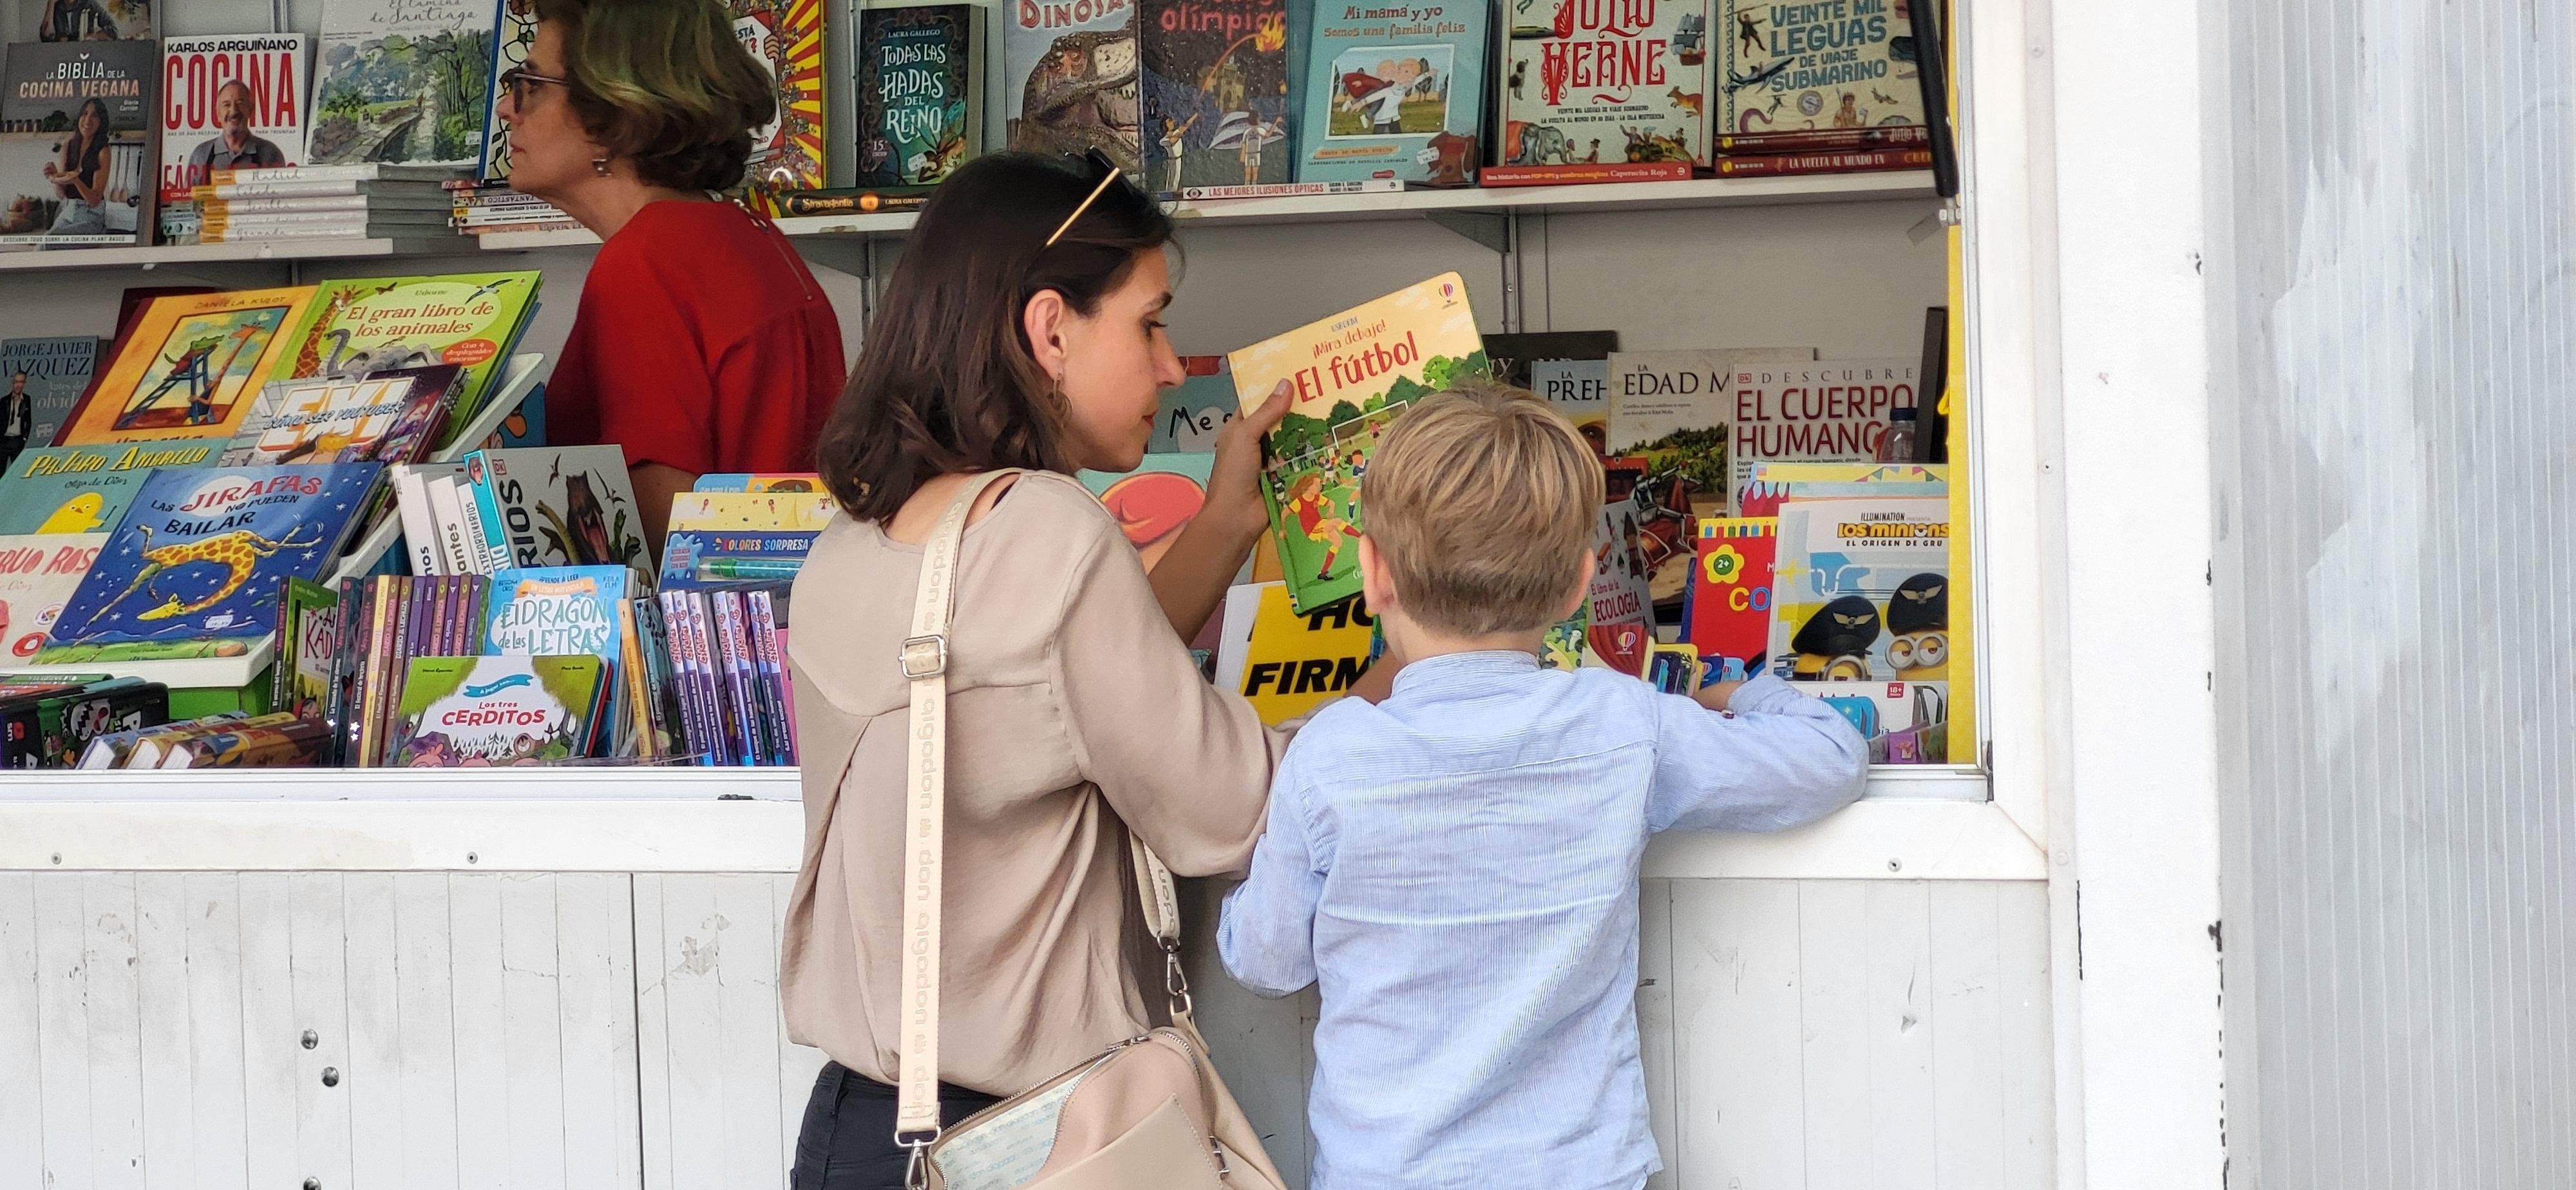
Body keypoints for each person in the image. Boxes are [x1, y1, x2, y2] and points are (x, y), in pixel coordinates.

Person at [779, 150, 1336, 1189]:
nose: (1173, 367)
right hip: (1029, 1136)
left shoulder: (852, 536)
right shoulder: (1047, 528)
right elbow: (1234, 808)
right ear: (1049, 328)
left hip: (860, 1126)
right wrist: (1413, 678)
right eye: (1149, 320)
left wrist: (1222, 524)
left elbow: (1045, 692)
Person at [1217, 383, 1869, 1190]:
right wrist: (1736, 692)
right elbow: (1830, 758)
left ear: (1373, 573)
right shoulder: (1624, 724)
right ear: (1577, 587)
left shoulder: (1329, 754)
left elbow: (1268, 962)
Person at [497, 0, 846, 543]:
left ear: (614, 113)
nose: (506, 108)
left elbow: (663, 536)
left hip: (702, 619)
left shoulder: (643, 263)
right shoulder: (747, 234)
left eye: (531, 85)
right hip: (783, 611)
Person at [182, 80, 286, 184]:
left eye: (240, 103)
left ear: (250, 110)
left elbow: (280, 198)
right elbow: (188, 199)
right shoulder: (201, 155)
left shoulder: (271, 153)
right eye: (226, 105)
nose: (234, 111)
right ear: (218, 114)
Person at [41, 98, 116, 236]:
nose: (87, 120)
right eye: (85, 114)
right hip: (68, 212)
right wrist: (54, 176)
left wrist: (76, 180)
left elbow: (94, 201)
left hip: (91, 217)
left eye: (95, 115)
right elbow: (62, 195)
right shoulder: (69, 144)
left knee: (49, 240)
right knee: (42, 245)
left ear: (101, 122)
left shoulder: (103, 150)